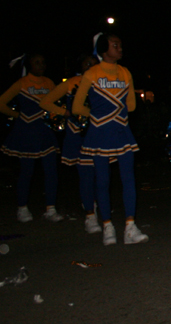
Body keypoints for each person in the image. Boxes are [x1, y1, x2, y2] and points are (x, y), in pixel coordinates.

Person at [72, 34, 148, 245]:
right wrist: (99, 117)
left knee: (128, 179)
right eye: (115, 45)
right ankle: (107, 226)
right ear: (104, 49)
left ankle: (130, 226)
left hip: (122, 132)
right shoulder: (91, 73)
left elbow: (131, 106)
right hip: (100, 134)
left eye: (120, 44)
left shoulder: (125, 72)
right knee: (102, 181)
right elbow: (77, 107)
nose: (120, 48)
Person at [39, 54, 101, 233]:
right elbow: (45, 102)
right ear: (80, 66)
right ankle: (90, 216)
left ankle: (97, 207)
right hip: (77, 135)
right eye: (87, 63)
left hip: (98, 134)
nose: (90, 66)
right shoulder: (71, 83)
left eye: (94, 64)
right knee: (86, 175)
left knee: (100, 175)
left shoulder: (102, 82)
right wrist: (65, 113)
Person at [0, 54, 63, 222]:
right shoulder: (22, 83)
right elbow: (1, 103)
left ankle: (51, 208)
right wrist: (18, 115)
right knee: (27, 171)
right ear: (29, 65)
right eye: (37, 62)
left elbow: (57, 102)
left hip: (44, 131)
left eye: (43, 62)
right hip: (26, 132)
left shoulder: (49, 82)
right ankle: (22, 208)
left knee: (51, 171)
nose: (41, 65)